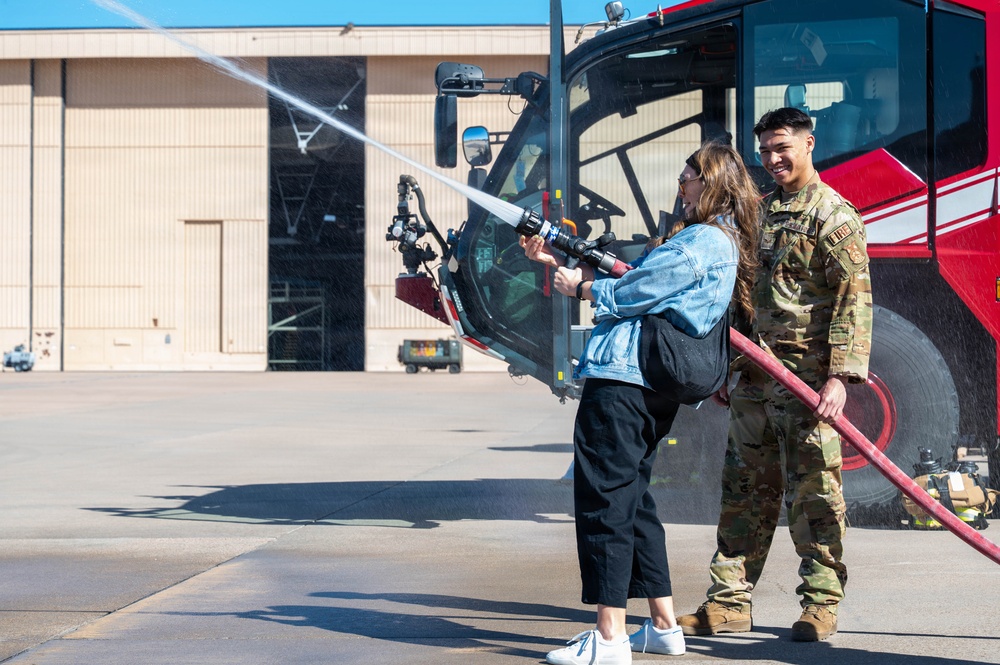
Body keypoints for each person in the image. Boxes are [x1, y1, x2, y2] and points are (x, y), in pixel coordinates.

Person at [522, 141, 760, 665]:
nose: (681, 187)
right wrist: (560, 260)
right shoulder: (713, 241)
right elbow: (642, 284)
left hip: (624, 382)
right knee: (633, 498)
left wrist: (580, 288)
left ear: (713, 181)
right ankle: (662, 624)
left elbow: (636, 292)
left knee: (604, 500)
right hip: (645, 385)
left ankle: (608, 637)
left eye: (688, 178)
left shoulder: (702, 241)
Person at [676, 107, 873, 642]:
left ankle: (820, 606)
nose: (772, 158)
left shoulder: (834, 216)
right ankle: (729, 602)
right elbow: (742, 297)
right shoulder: (760, 214)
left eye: (782, 146)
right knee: (743, 492)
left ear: (810, 144)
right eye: (764, 150)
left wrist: (839, 378)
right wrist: (726, 368)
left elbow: (853, 301)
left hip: (808, 386)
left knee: (814, 498)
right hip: (756, 381)